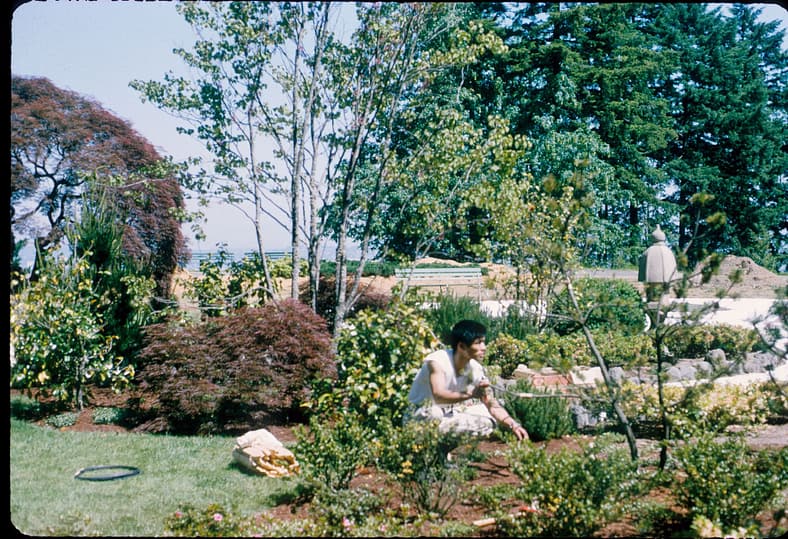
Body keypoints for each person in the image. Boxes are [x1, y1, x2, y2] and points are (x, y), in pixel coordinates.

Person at [406, 319, 529, 441]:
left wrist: (513, 425)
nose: (484, 348)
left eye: (483, 342)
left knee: (488, 419)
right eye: (478, 343)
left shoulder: (475, 369)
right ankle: (426, 447)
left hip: (446, 415)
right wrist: (471, 394)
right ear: (461, 346)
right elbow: (438, 395)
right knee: (435, 413)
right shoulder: (438, 361)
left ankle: (444, 445)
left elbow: (492, 405)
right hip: (419, 416)